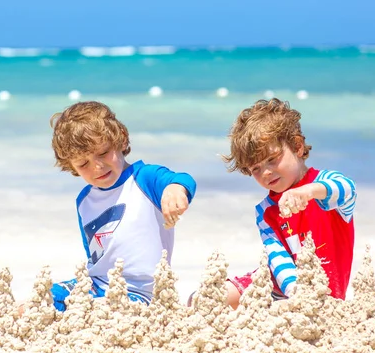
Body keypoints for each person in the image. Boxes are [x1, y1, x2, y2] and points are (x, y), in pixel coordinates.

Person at [38, 101, 196, 312]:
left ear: (120, 138)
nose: (97, 166)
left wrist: (175, 190)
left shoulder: (144, 179)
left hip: (142, 292)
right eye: (83, 164)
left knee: (105, 311)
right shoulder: (84, 201)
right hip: (96, 285)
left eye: (103, 153)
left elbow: (181, 179)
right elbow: (94, 254)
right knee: (43, 299)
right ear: (71, 166)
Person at [215, 98, 357, 309]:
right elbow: (277, 257)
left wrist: (310, 191)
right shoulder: (265, 211)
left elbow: (348, 190)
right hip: (280, 287)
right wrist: (296, 296)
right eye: (256, 168)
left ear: (297, 147)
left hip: (327, 297)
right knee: (212, 297)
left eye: (273, 159)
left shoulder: (324, 185)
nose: (266, 172)